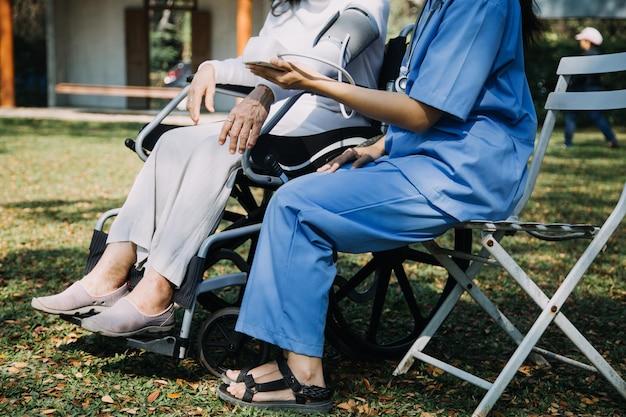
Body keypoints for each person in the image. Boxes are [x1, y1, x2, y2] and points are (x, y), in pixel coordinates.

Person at [217, 0, 542, 412]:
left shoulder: (481, 2)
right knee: (301, 194)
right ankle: (290, 357)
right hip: (429, 158)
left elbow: (423, 114)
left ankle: (304, 379)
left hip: (465, 172)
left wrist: (313, 82)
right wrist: (380, 145)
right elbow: (440, 102)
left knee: (297, 205)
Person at [30, 0, 390, 336]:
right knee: (173, 142)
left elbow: (324, 60)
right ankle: (106, 276)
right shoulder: (286, 5)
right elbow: (258, 65)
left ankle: (157, 292)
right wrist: (212, 68)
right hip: (278, 120)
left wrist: (263, 94)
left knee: (220, 148)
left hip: (335, 125)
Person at [563, 27, 619, 149]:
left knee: (571, 115)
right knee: (596, 115)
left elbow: (580, 76)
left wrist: (571, 83)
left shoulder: (586, 57)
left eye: (582, 40)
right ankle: (612, 139)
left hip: (582, 89)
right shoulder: (599, 56)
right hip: (595, 89)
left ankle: (568, 143)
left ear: (588, 41)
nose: (580, 42)